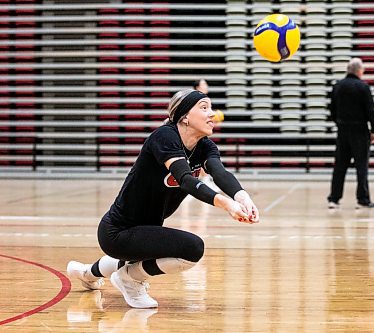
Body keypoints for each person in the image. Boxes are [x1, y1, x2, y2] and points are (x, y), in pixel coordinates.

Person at [67, 89, 260, 309]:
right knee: (192, 248)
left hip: (144, 230)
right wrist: (226, 204)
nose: (212, 114)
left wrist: (242, 197)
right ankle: (130, 280)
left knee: (135, 256)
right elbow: (186, 180)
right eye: (204, 108)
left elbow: (220, 173)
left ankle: (86, 273)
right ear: (185, 117)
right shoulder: (165, 137)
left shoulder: (205, 146)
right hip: (118, 231)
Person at [327, 58, 374, 209]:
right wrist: (373, 130)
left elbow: (332, 110)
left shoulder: (337, 86)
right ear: (358, 70)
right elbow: (370, 111)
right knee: (361, 166)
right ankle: (363, 199)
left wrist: (339, 124)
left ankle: (334, 199)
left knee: (340, 166)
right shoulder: (363, 87)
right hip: (360, 130)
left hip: (342, 130)